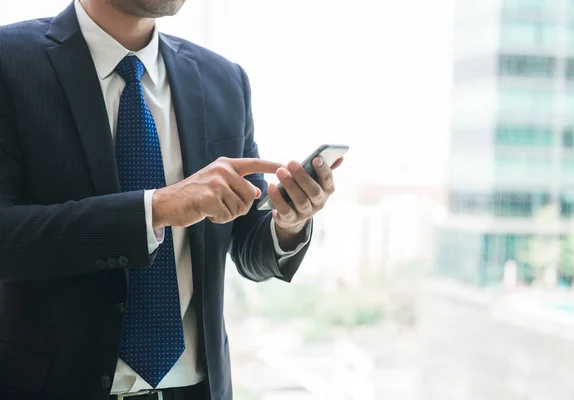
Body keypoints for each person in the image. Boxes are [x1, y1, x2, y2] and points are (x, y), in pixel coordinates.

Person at [0, 1, 342, 399]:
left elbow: (249, 248)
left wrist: (289, 223)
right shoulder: (9, 62)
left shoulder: (223, 79)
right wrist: (157, 208)